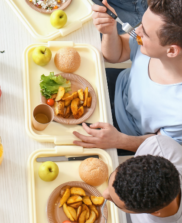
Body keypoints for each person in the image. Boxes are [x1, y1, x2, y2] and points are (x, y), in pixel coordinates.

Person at [73, 0, 182, 152]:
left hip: (123, 134)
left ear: (171, 51)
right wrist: (110, 32)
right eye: (141, 24)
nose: (137, 30)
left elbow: (162, 145)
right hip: (115, 85)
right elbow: (117, 54)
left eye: (146, 34)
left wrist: (119, 140)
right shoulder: (146, 35)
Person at [95, 135, 182, 223]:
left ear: (155, 212)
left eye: (115, 202)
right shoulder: (159, 146)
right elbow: (150, 141)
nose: (104, 194)